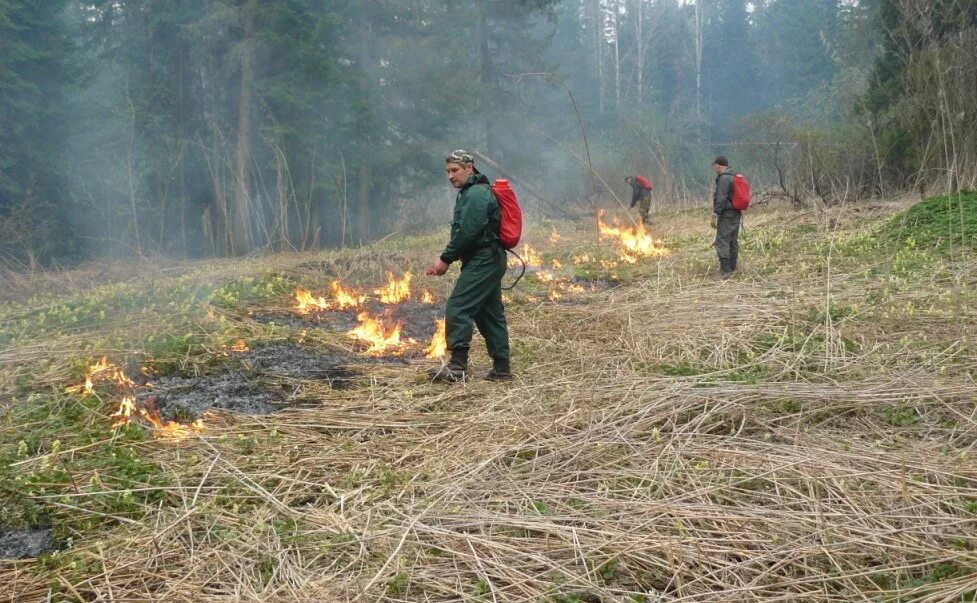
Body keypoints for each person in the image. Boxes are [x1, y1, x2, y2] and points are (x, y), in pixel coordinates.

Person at [425, 150, 512, 382]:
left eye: (455, 170)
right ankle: (502, 370)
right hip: (488, 259)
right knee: (489, 314)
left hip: (484, 259)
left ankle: (457, 367)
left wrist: (445, 259)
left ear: (469, 168)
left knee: (458, 307)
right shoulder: (470, 192)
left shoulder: (476, 194)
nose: (450, 176)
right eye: (448, 171)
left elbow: (468, 232)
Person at [711, 156, 741, 277]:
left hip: (727, 213)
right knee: (733, 239)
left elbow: (722, 197)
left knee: (722, 240)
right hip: (736, 212)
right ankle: (733, 266)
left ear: (718, 165)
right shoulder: (733, 175)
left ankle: (726, 270)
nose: (714, 168)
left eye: (714, 166)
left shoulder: (724, 178)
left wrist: (716, 213)